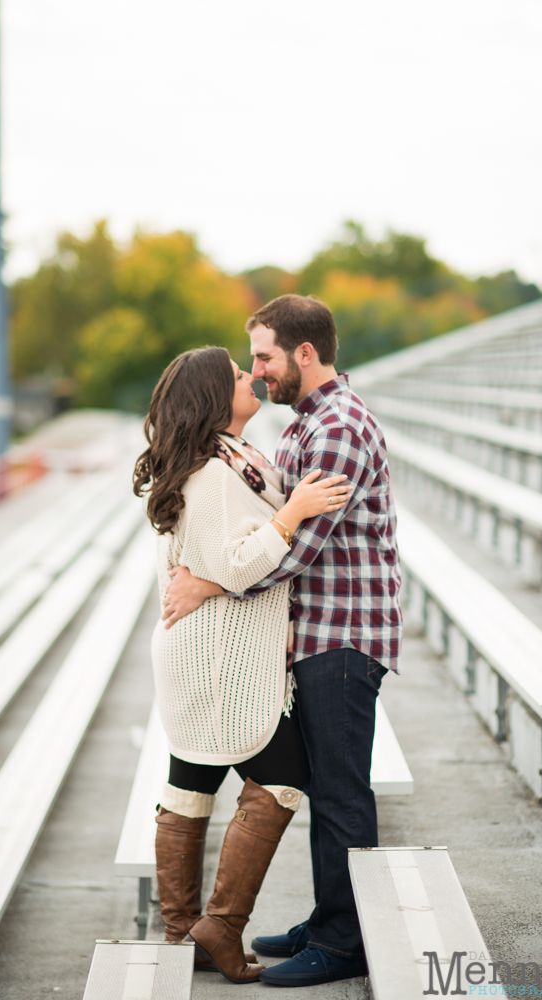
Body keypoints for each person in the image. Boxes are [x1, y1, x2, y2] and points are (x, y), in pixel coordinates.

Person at [162, 295, 403, 988]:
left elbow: (298, 551)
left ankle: (341, 940)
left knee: (340, 792)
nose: (259, 371)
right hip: (307, 634)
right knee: (322, 785)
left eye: (263, 356)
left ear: (304, 352)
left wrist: (209, 585)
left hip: (339, 633)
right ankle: (329, 917)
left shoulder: (336, 428)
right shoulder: (302, 424)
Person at [133, 345, 351, 985]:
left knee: (190, 783)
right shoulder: (214, 475)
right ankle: (219, 928)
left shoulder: (233, 460)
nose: (250, 376)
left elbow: (211, 568)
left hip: (204, 648)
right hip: (219, 659)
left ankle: (182, 935)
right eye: (235, 375)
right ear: (210, 397)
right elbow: (234, 564)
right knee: (286, 777)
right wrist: (293, 513)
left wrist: (210, 579)